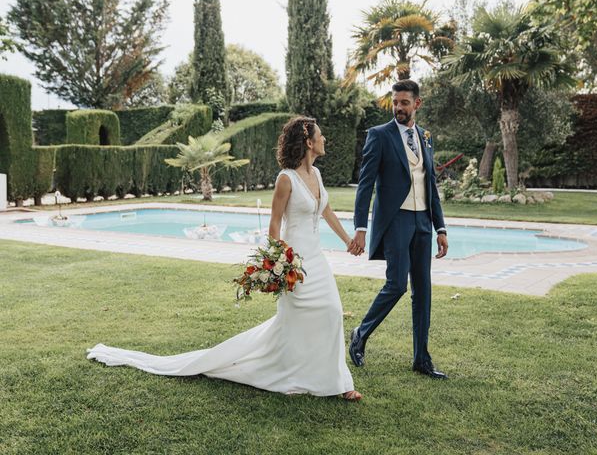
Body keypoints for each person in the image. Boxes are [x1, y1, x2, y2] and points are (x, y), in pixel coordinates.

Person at [87, 116, 362, 401]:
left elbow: (326, 211)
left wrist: (347, 240)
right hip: (294, 262)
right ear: (308, 142)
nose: (325, 139)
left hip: (316, 259)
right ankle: (293, 375)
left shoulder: (316, 175)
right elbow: (274, 223)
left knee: (330, 312)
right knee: (293, 323)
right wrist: (280, 262)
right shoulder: (286, 178)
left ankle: (336, 380)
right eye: (320, 135)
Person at [348, 79, 449, 379]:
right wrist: (360, 228)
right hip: (396, 221)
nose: (399, 108)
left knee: (423, 291)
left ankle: (421, 359)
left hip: (422, 223)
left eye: (405, 102)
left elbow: (430, 183)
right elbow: (365, 185)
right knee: (397, 285)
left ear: (417, 103)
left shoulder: (426, 137)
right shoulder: (379, 136)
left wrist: (440, 227)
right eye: (395, 102)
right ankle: (360, 332)